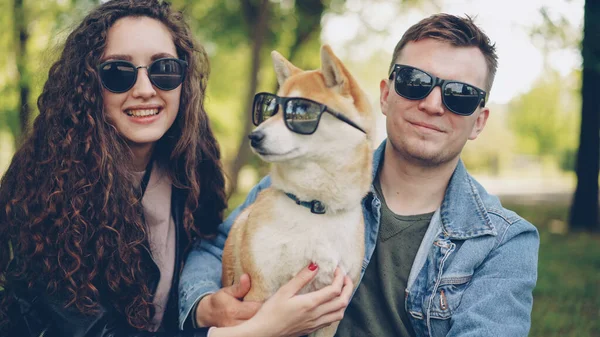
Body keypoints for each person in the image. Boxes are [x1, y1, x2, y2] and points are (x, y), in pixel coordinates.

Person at [0, 0, 352, 336]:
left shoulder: (192, 172)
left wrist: (203, 307)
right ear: (87, 84)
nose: (144, 89)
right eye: (118, 72)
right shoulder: (46, 189)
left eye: (163, 70)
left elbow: (205, 260)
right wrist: (255, 331)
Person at [179, 13, 539, 337]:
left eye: (460, 95)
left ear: (479, 121)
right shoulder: (296, 183)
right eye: (414, 82)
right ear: (384, 95)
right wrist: (204, 304)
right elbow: (212, 247)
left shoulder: (503, 243)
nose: (432, 104)